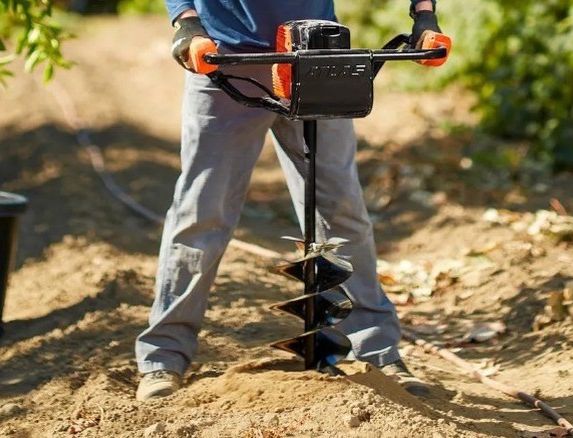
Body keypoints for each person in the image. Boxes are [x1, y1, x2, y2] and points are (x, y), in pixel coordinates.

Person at [135, 0, 446, 401]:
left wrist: (424, 13)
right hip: (225, 59)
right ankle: (164, 356)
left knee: (342, 212)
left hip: (319, 57)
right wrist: (186, 21)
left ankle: (378, 351)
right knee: (201, 212)